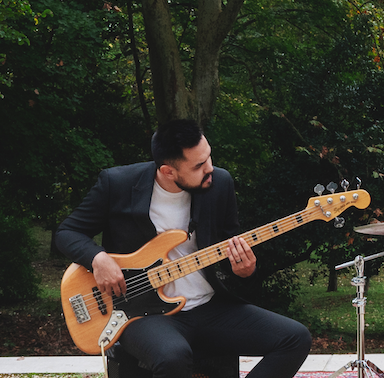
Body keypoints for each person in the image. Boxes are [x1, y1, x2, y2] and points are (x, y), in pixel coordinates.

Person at [54, 119, 311, 378]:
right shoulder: (117, 184)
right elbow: (67, 232)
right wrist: (97, 259)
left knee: (295, 338)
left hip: (209, 307)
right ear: (168, 171)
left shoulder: (220, 183)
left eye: (208, 157)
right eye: (198, 166)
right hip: (142, 313)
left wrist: (246, 270)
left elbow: (232, 246)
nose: (209, 168)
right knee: (172, 357)